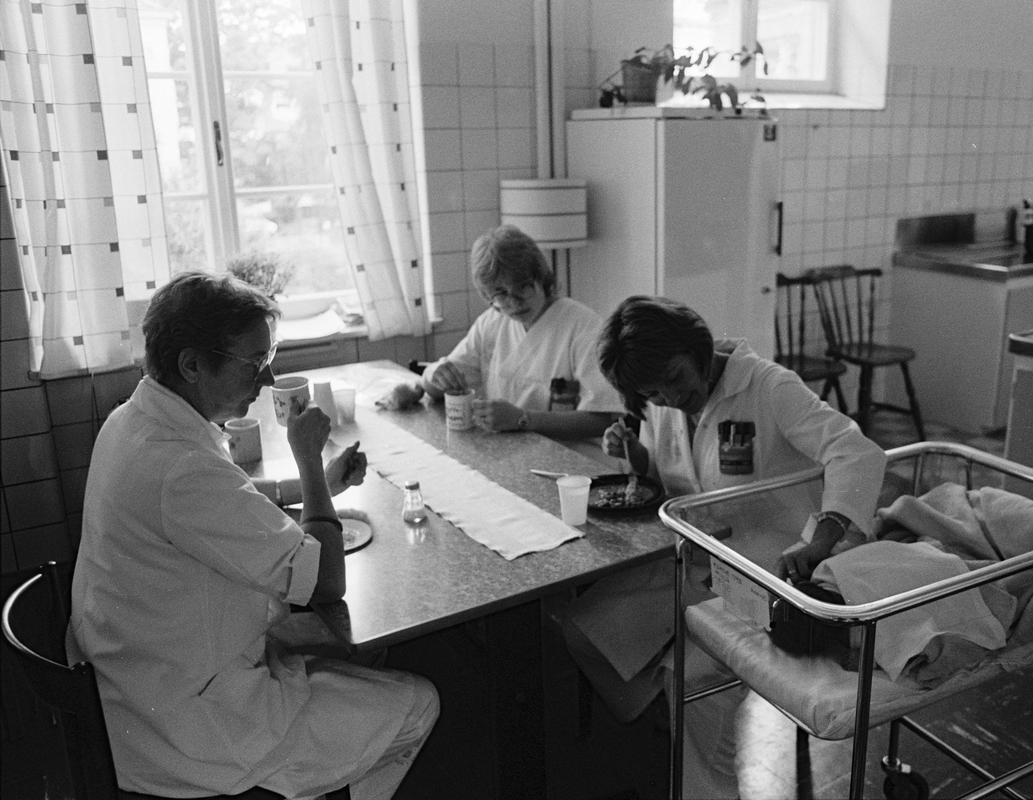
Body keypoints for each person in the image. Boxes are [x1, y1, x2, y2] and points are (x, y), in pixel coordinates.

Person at [68, 272, 439, 798]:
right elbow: (327, 581)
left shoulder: (134, 421)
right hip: (181, 726)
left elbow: (228, 493)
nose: (267, 381)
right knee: (418, 701)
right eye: (254, 363)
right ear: (192, 364)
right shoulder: (179, 469)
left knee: (355, 654)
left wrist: (315, 484)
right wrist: (309, 463)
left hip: (135, 678)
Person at [561, 295, 886, 798]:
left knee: (690, 687)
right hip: (697, 561)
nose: (669, 395)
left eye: (673, 377)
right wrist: (637, 455)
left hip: (765, 578)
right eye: (652, 391)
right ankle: (657, 719)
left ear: (695, 346)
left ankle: (697, 772)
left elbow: (856, 451)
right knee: (585, 629)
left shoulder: (767, 387)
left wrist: (822, 542)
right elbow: (678, 475)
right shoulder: (665, 405)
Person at [419, 224, 623, 441]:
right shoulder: (491, 323)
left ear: (541, 278)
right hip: (511, 453)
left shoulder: (582, 326)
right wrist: (432, 375)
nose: (514, 303)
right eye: (501, 294)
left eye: (522, 287)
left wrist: (522, 419)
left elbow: (603, 419)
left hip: (578, 459)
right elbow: (444, 383)